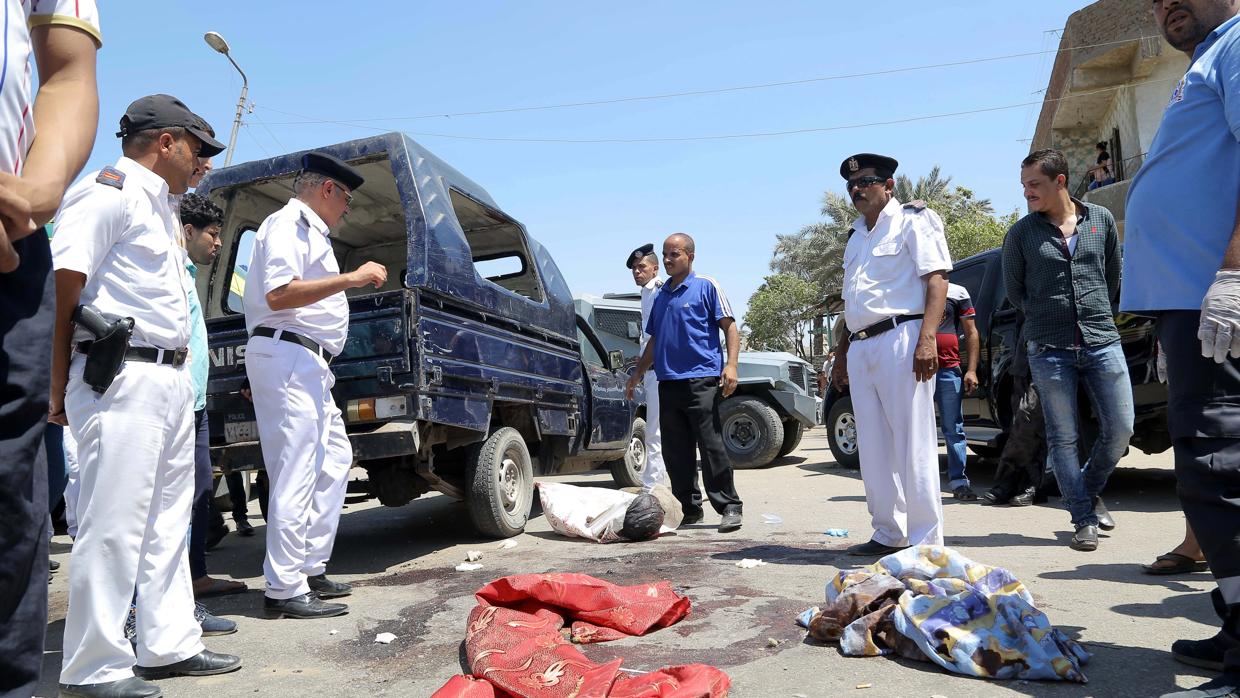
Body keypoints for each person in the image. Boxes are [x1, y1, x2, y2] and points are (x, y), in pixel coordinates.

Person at [50, 94, 240, 697]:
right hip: (120, 375)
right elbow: (61, 289)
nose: (206, 161)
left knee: (167, 520)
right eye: (200, 149)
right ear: (166, 141)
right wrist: (55, 389)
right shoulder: (106, 191)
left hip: (170, 378)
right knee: (113, 523)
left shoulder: (163, 206)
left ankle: (168, 643)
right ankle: (93, 668)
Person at [1119, 1, 1240, 694]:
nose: (1165, 2)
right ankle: (1234, 625)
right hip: (1189, 307)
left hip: (1217, 303)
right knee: (1211, 469)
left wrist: (1233, 272)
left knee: (1222, 471)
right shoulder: (1207, 63)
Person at [0, 4, 99, 696]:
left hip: (12, 240)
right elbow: (75, 286)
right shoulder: (117, 200)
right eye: (194, 146)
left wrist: (38, 190)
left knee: (12, 502)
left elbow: (67, 73)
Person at [244, 152, 386, 619]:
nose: (347, 208)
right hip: (288, 354)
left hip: (308, 362)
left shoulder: (309, 231)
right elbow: (279, 294)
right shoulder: (287, 225)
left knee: (335, 460)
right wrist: (354, 277)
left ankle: (308, 565)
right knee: (296, 468)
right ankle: (283, 588)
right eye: (345, 198)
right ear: (327, 189)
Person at [1003, 148, 1133, 553]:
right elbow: (1015, 292)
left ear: (1060, 181)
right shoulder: (1022, 234)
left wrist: (1092, 312)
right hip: (1048, 347)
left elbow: (1112, 277)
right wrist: (1049, 317)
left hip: (1101, 338)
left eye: (1034, 184)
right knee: (1063, 438)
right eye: (1024, 185)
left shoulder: (1101, 220)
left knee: (1121, 429)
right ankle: (1082, 517)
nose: (1027, 193)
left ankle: (1087, 491)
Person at [829, 153, 951, 556]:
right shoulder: (855, 237)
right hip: (862, 345)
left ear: (889, 185)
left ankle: (925, 540)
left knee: (912, 441)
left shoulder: (914, 221)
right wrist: (843, 355)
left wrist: (928, 338)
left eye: (865, 181)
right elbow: (853, 302)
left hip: (903, 336)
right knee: (874, 444)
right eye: (852, 185)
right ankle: (887, 532)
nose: (857, 189)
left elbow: (936, 279)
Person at [625, 233, 744, 532]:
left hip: (701, 378)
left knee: (711, 444)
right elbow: (654, 339)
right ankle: (689, 509)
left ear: (690, 256)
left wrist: (731, 365)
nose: (667, 260)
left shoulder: (706, 286)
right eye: (665, 255)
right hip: (668, 381)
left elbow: (729, 327)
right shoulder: (662, 295)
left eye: (674, 254)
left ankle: (729, 506)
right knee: (676, 450)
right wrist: (638, 372)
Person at [180, 193, 248, 608]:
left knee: (201, 489)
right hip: (179, 401)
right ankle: (181, 586)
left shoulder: (189, 275)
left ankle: (196, 575)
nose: (218, 243)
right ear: (187, 232)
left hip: (197, 403)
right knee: (180, 497)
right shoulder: (170, 271)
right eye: (212, 234)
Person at [981, 313, 1048, 507]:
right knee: (1019, 424)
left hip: (1052, 351)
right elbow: (1016, 297)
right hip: (1022, 357)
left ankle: (1014, 481)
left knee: (1028, 417)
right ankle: (1027, 485)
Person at [626, 242, 667, 491]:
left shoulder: (658, 291)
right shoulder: (646, 292)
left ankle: (653, 486)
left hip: (659, 370)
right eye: (633, 268)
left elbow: (656, 335)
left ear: (655, 268)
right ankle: (656, 483)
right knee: (656, 431)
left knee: (654, 432)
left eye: (641, 267)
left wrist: (639, 371)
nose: (637, 272)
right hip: (652, 371)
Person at [936, 282, 979, 500]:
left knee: (953, 428)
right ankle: (917, 485)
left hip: (948, 369)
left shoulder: (958, 291)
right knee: (914, 428)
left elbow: (971, 332)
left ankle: (959, 482)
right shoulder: (910, 287)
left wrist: (971, 370)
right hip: (915, 371)